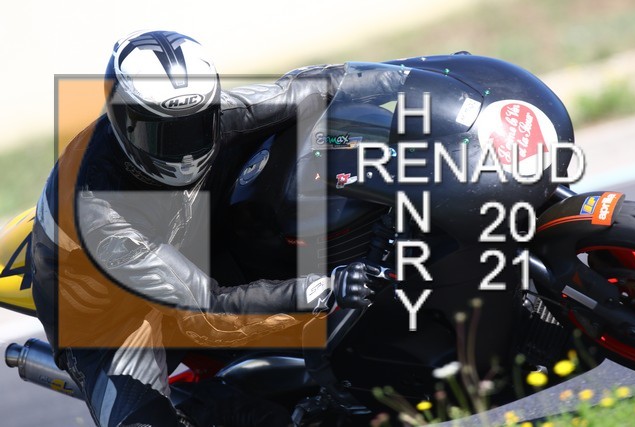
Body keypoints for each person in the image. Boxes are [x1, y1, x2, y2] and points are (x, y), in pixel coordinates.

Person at [30, 30, 381, 427]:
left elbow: (303, 88)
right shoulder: (98, 211)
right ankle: (211, 406)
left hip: (184, 238)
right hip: (113, 317)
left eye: (196, 125)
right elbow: (206, 308)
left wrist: (403, 76)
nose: (185, 150)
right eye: (165, 136)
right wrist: (323, 288)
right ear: (124, 124)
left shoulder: (205, 114)